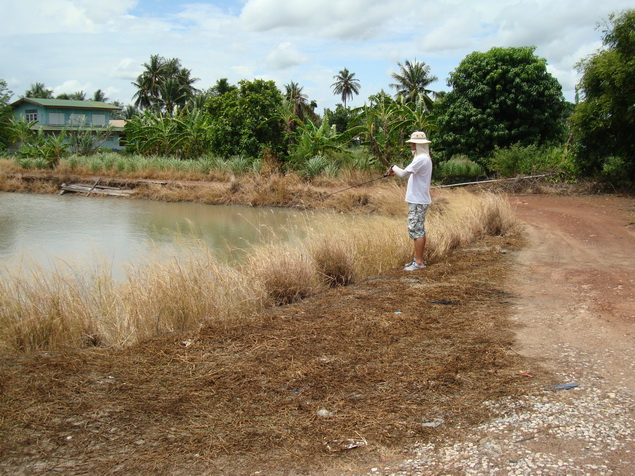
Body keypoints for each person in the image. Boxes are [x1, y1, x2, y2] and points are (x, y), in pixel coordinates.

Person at [387, 131, 433, 271]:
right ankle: (418, 260)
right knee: (419, 229)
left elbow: (403, 174)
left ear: (418, 144)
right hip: (419, 199)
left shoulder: (421, 159)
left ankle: (418, 263)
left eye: (413, 143)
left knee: (416, 230)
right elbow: (408, 173)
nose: (411, 145)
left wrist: (393, 166)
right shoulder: (422, 158)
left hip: (418, 200)